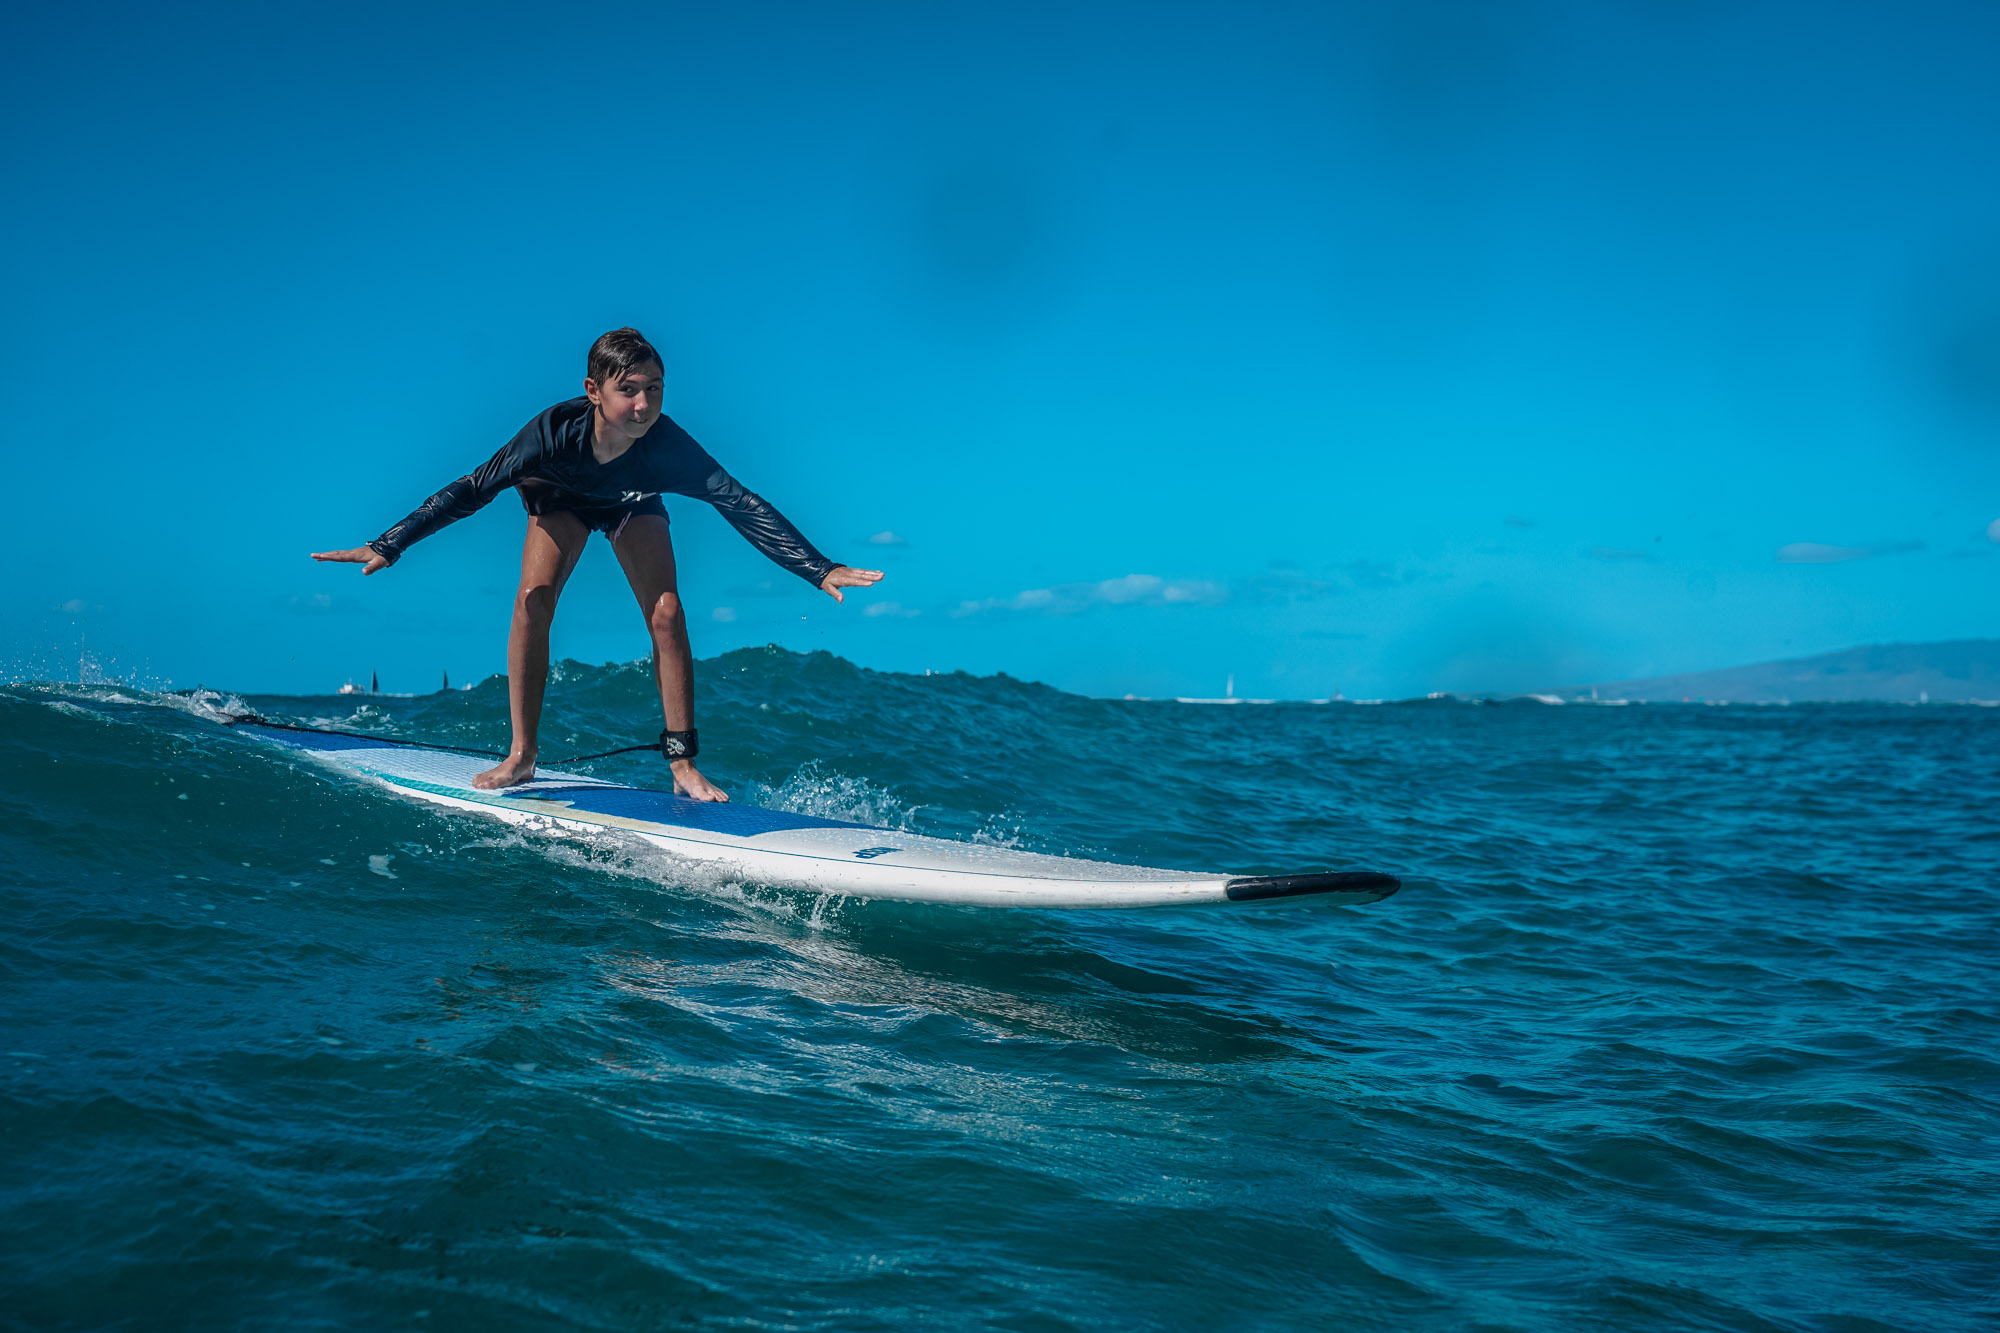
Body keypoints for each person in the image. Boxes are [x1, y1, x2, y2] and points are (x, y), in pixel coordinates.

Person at [311, 328, 882, 798]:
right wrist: (390, 543)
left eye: (654, 389)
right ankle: (522, 755)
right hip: (558, 497)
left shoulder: (668, 446)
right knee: (534, 601)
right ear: (593, 390)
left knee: (667, 612)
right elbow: (472, 489)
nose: (643, 405)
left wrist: (816, 566)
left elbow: (737, 500)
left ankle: (681, 764)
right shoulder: (548, 437)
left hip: (632, 502)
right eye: (629, 390)